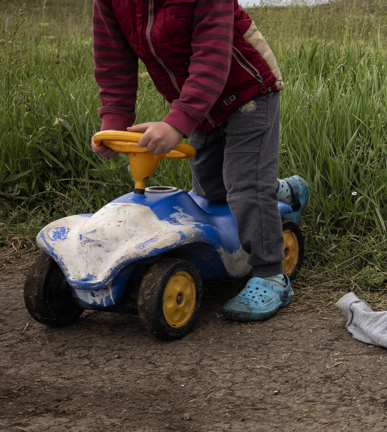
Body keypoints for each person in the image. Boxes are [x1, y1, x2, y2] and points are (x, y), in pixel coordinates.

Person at [91, 0, 310, 322]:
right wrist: (114, 119)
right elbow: (113, 62)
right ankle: (283, 191)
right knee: (211, 193)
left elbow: (212, 57)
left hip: (248, 91)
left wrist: (177, 122)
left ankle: (271, 275)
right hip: (199, 103)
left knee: (246, 189)